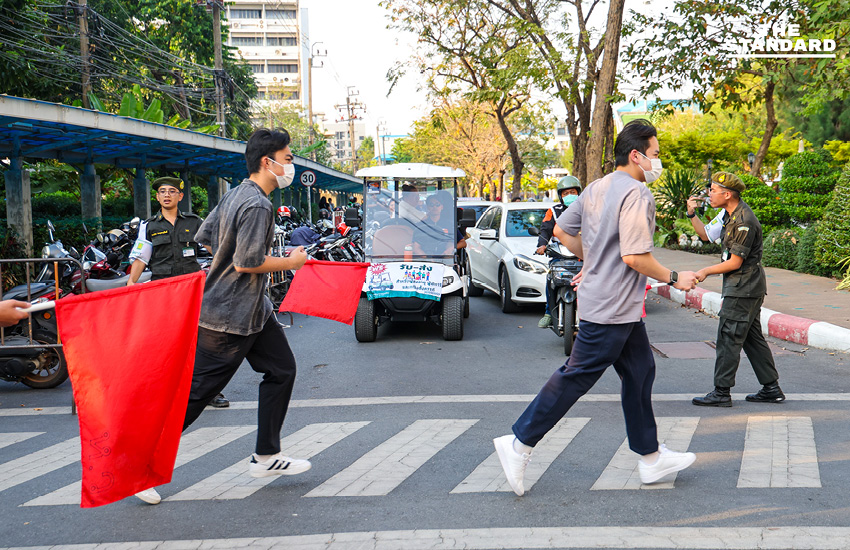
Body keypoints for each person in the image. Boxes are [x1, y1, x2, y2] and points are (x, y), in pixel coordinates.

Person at [493, 119, 700, 497]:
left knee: (640, 371)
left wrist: (593, 263)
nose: (658, 162)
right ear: (636, 155)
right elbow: (636, 256)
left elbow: (561, 231)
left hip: (614, 303)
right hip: (611, 306)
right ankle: (519, 442)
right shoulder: (637, 194)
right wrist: (674, 277)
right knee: (577, 375)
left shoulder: (596, 187)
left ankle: (651, 458)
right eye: (655, 155)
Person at [135, 128, 310, 505]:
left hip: (254, 312)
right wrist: (292, 261)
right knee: (198, 394)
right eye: (289, 158)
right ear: (269, 162)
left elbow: (206, 236)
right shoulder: (258, 205)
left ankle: (266, 455)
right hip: (227, 316)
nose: (290, 164)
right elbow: (249, 263)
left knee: (282, 370)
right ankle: (140, 464)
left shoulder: (235, 194)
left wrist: (228, 254)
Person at [126, 178, 230, 410]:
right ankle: (167, 390)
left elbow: (215, 248)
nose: (166, 195)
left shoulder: (194, 222)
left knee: (200, 340)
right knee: (165, 341)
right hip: (162, 290)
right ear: (157, 197)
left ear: (180, 196)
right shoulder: (149, 226)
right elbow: (141, 256)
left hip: (191, 288)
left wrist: (229, 266)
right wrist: (132, 282)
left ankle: (209, 391)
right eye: (162, 192)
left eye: (172, 191)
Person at [691, 172, 785, 407]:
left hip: (743, 287)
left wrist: (705, 271)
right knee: (751, 338)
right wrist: (692, 213)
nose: (709, 194)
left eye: (713, 190)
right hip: (745, 287)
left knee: (728, 337)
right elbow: (705, 235)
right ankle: (771, 388)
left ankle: (721, 392)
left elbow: (734, 262)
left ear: (727, 194)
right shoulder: (728, 214)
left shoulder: (744, 220)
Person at [536, 175, 582, 328]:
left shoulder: (588, 209)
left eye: (572, 192)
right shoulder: (553, 211)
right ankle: (549, 312)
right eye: (565, 193)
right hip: (560, 254)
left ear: (579, 192)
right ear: (560, 196)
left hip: (583, 255)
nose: (569, 196)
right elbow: (545, 230)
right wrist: (542, 245)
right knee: (550, 278)